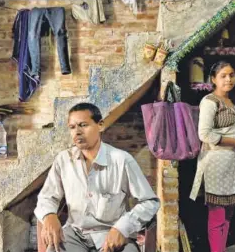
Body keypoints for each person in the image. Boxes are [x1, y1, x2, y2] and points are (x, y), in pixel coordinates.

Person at [34, 103, 160, 252]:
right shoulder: (63, 159)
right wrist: (49, 215)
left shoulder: (121, 160)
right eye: (72, 127)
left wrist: (122, 228)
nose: (77, 132)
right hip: (75, 235)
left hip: (111, 234)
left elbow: (150, 202)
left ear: (100, 125)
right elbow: (47, 197)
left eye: (83, 125)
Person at [189, 61, 235, 252]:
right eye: (223, 75)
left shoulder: (230, 101)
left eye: (231, 75)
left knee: (228, 214)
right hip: (215, 162)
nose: (228, 79)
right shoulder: (209, 101)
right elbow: (205, 135)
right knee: (217, 216)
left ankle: (221, 248)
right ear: (213, 79)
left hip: (229, 163)